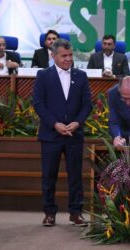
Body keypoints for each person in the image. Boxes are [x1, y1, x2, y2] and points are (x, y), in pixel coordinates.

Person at [32, 38, 92, 227]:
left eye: (70, 55)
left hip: (74, 134)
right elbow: (38, 103)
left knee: (75, 176)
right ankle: (49, 212)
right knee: (49, 176)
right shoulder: (43, 75)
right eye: (64, 56)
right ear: (53, 56)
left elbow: (87, 104)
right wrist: (54, 124)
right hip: (51, 134)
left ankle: (76, 213)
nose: (68, 59)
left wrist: (77, 122)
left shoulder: (81, 76)